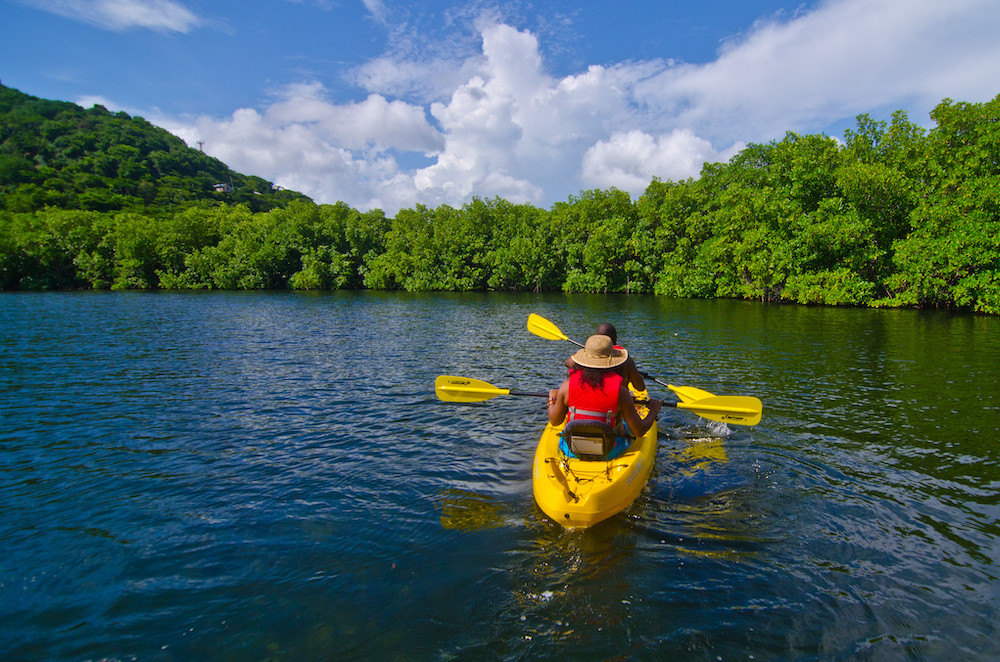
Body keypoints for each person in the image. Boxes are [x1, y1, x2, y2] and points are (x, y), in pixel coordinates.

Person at [548, 334, 662, 459]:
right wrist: (654, 409)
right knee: (625, 422)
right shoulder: (621, 392)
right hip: (609, 452)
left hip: (572, 451)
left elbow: (555, 421)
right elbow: (639, 431)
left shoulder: (566, 386)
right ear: (612, 361)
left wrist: (553, 399)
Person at [564, 322, 646, 391]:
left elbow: (568, 362)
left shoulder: (587, 358)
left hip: (591, 400)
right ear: (616, 338)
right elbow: (640, 388)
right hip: (617, 403)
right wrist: (630, 371)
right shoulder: (627, 361)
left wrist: (588, 354)